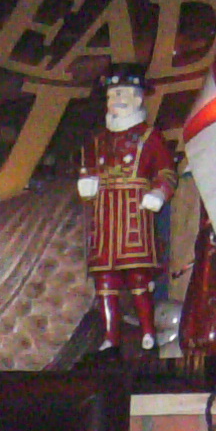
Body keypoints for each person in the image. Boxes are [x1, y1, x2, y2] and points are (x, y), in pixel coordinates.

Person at [75, 62, 175, 359]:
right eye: (111, 94)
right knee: (104, 279)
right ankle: (111, 337)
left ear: (138, 97)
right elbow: (88, 167)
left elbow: (166, 171)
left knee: (137, 277)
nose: (115, 99)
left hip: (133, 212)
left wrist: (159, 192)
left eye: (121, 93)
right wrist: (87, 181)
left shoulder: (150, 137)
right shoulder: (98, 139)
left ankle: (148, 333)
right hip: (106, 214)